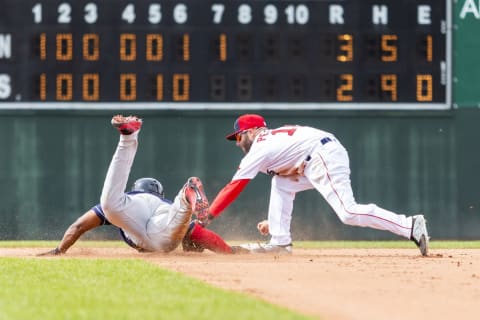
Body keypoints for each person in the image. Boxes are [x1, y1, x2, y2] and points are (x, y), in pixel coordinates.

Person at [198, 114, 430, 256]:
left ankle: (410, 225)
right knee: (281, 183)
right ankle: (280, 242)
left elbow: (234, 186)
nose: (237, 143)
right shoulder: (272, 140)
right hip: (315, 157)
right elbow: (283, 177)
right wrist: (275, 220)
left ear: (252, 131)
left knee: (348, 212)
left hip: (322, 155)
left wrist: (208, 215)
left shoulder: (260, 146)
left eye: (239, 137)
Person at [39, 115, 246, 256]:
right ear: (158, 191)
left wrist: (59, 250)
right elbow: (202, 235)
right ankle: (186, 194)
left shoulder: (131, 199)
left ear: (137, 188)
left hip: (136, 221)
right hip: (163, 224)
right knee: (178, 214)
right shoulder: (161, 202)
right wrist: (228, 252)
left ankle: (127, 139)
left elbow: (78, 226)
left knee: (110, 203)